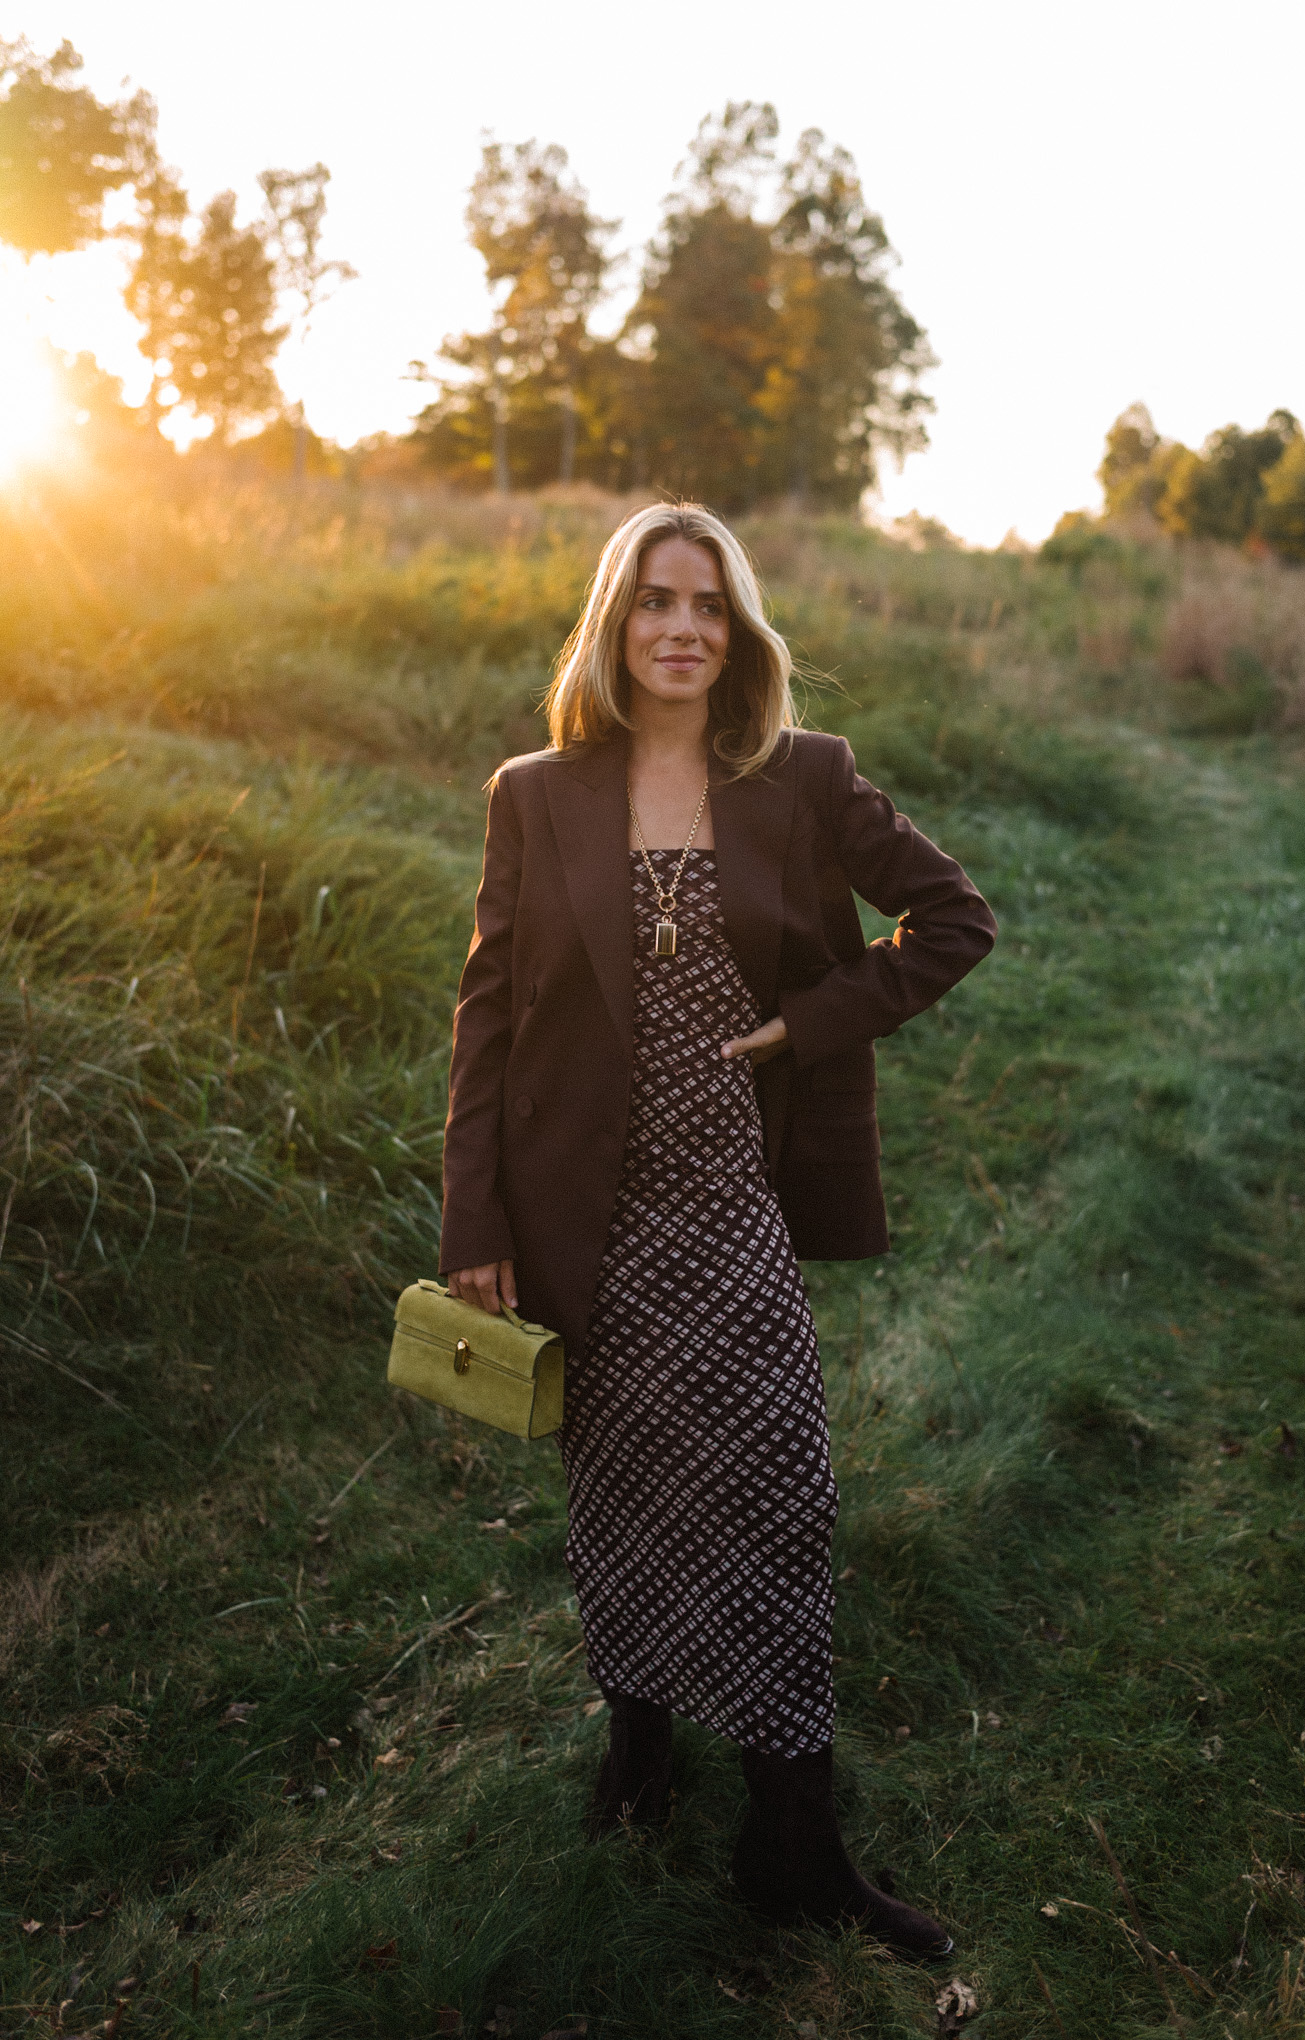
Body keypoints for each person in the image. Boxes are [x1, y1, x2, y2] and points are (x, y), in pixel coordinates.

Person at [440, 502, 996, 1961]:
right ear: (615, 625)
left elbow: (953, 919)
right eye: (655, 601)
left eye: (709, 607)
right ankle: (639, 1745)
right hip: (584, 1218)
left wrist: (812, 1021)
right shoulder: (537, 793)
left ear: (738, 636)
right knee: (616, 1495)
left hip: (730, 1212)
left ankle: (796, 1843)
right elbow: (489, 1020)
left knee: (777, 1495)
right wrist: (473, 1218)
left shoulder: (804, 779)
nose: (682, 627)